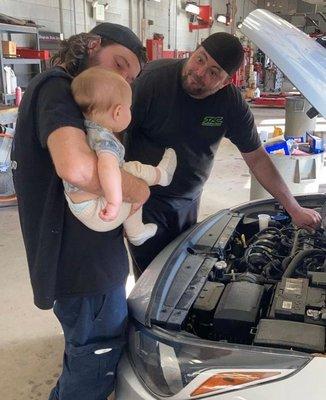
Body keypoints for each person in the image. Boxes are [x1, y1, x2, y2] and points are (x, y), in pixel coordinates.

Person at [12, 23, 148, 400]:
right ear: (92, 45)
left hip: (86, 263)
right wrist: (138, 189)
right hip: (82, 270)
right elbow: (77, 168)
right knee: (93, 365)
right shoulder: (56, 86)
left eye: (129, 77)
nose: (120, 78)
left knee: (86, 356)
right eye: (119, 63)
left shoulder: (78, 102)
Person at [125, 32, 322, 277]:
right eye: (200, 59)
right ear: (195, 50)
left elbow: (257, 158)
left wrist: (293, 208)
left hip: (188, 200)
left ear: (226, 82)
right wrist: (120, 192)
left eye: (213, 72)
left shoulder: (230, 104)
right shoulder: (153, 80)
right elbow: (117, 133)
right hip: (144, 198)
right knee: (151, 275)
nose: (200, 72)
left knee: (180, 268)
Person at [66, 66, 177, 245]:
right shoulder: (105, 140)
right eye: (129, 108)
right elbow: (107, 167)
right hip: (98, 212)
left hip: (80, 205)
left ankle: (137, 233)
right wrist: (114, 202)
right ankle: (161, 175)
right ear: (118, 112)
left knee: (127, 178)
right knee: (129, 171)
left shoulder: (85, 128)